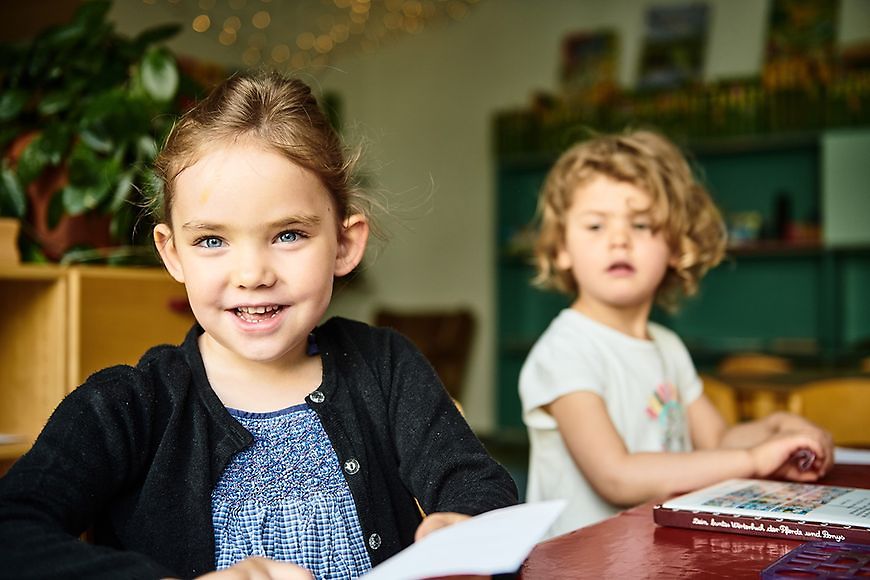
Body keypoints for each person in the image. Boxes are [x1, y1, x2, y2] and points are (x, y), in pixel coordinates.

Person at [0, 71, 517, 579]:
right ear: (172, 252)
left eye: (288, 235)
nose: (252, 275)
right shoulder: (127, 405)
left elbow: (479, 484)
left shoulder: (386, 367)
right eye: (211, 240)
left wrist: (463, 525)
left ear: (344, 243)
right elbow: (13, 531)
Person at [518, 129, 833, 538]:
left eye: (642, 224)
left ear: (675, 245)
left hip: (654, 551)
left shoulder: (667, 347)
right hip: (576, 563)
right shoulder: (564, 351)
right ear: (561, 247)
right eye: (595, 226)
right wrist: (754, 460)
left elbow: (717, 439)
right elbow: (617, 476)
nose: (619, 240)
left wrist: (777, 430)